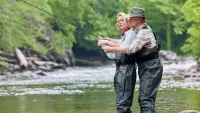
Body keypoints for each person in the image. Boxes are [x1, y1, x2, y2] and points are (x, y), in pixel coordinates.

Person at [102, 8, 163, 113]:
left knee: (146, 100)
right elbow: (124, 43)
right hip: (146, 67)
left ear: (138, 19)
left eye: (131, 18)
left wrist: (110, 48)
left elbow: (131, 49)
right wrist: (108, 40)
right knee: (143, 99)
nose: (128, 20)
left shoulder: (144, 32)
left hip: (152, 67)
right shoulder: (137, 31)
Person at [97, 12, 136, 113]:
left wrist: (106, 42)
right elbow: (113, 55)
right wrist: (103, 46)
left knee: (123, 103)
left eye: (122, 20)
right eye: (118, 21)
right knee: (121, 102)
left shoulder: (131, 33)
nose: (119, 23)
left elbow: (123, 47)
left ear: (128, 21)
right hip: (120, 69)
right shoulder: (125, 36)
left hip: (127, 69)